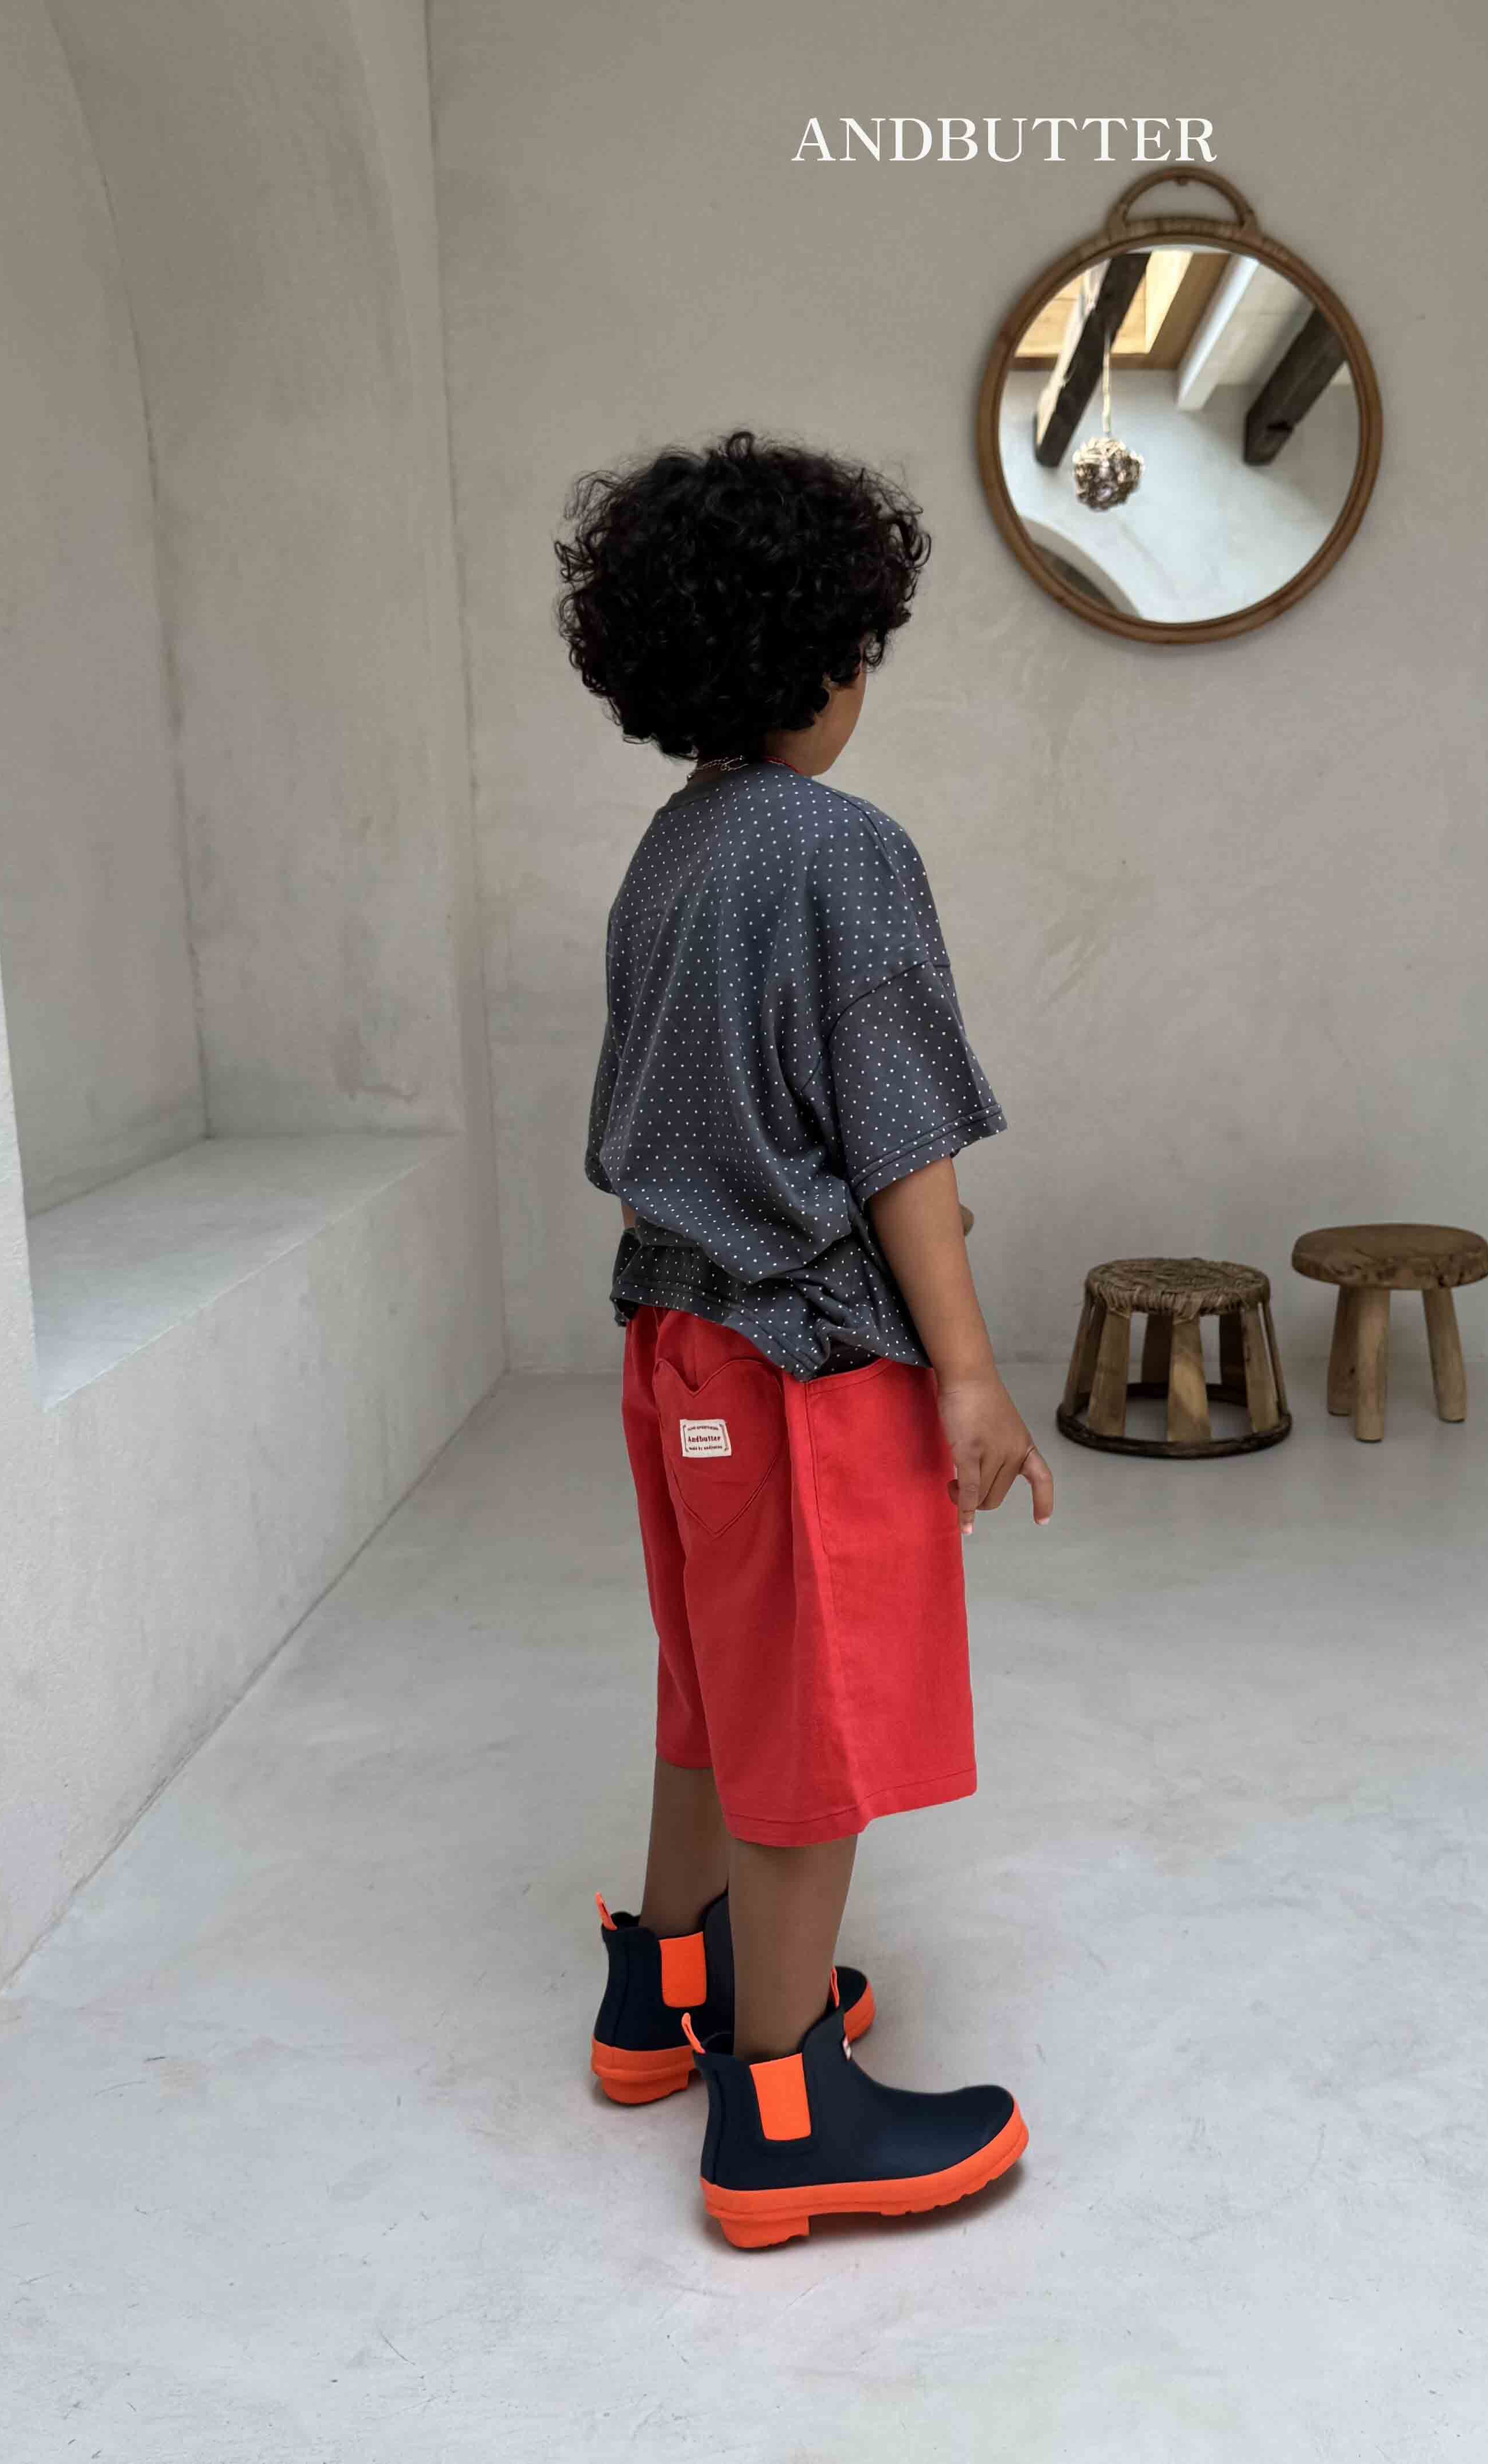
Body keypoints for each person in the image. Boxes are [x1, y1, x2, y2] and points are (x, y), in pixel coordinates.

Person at [554, 431, 1051, 2248]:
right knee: (814, 1719)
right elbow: (897, 1138)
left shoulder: (667, 853)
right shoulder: (846, 853)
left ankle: (663, 1988)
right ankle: (781, 2111)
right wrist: (971, 1371)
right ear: (828, 654)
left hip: (674, 1347)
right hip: (797, 1360)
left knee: (717, 1683)